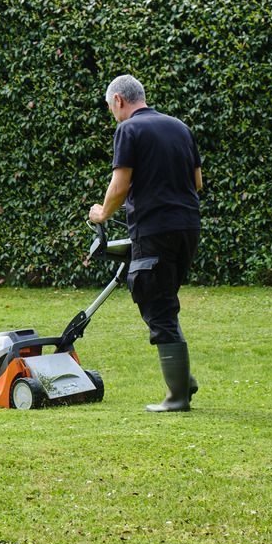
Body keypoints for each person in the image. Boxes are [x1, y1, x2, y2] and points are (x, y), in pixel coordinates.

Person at [87, 74, 203, 412]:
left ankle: (177, 396)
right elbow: (196, 182)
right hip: (188, 228)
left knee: (155, 301)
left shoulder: (129, 130)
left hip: (155, 230)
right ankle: (183, 380)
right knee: (163, 300)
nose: (113, 115)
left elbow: (120, 184)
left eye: (111, 108)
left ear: (119, 101)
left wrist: (102, 214)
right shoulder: (180, 127)